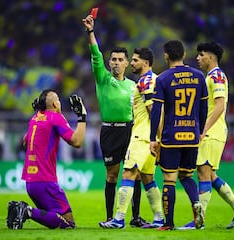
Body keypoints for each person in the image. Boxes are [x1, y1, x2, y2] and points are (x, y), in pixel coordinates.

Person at [82, 14, 147, 227]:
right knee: (112, 175)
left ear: (127, 63)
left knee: (135, 174)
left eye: (120, 60)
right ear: (109, 62)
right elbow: (95, 54)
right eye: (114, 59)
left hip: (130, 130)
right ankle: (110, 217)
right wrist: (91, 32)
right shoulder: (103, 79)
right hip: (110, 131)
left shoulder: (133, 85)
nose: (116, 63)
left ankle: (135, 217)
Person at [179, 41, 234, 230]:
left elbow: (220, 105)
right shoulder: (211, 76)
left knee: (203, 174)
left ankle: (198, 221)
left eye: (201, 55)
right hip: (214, 131)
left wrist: (204, 129)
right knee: (210, 175)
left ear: (211, 57)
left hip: (212, 132)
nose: (198, 58)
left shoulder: (216, 75)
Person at [99, 47, 164, 229]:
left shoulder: (144, 82)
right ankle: (158, 217)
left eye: (135, 60)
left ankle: (118, 219)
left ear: (145, 62)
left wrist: (157, 137)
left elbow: (153, 111)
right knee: (148, 178)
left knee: (128, 173)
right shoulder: (157, 79)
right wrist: (160, 138)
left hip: (141, 136)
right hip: (151, 138)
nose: (132, 63)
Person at [6, 89, 87, 230]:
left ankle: (19, 210)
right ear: (56, 104)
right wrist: (82, 117)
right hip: (45, 182)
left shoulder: (35, 118)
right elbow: (77, 142)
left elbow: (25, 142)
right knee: (68, 223)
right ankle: (26, 211)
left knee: (53, 217)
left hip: (31, 183)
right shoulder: (55, 118)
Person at [149, 40, 208, 230]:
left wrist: (152, 138)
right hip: (192, 135)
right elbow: (204, 108)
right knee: (186, 176)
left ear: (166, 56)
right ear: (183, 55)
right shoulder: (199, 77)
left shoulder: (163, 79)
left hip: (171, 136)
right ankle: (196, 204)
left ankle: (168, 223)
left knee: (169, 179)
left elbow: (156, 111)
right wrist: (200, 131)